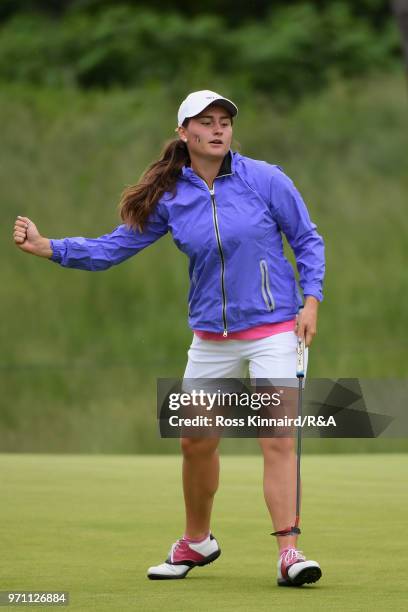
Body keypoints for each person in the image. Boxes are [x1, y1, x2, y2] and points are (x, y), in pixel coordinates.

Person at [13, 89, 325, 587]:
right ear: (184, 133)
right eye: (206, 122)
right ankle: (197, 542)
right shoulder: (170, 196)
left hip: (273, 329)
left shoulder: (266, 179)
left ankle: (289, 552)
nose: (219, 129)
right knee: (195, 442)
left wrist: (310, 301)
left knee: (277, 438)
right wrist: (51, 248)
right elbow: (115, 247)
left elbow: (307, 239)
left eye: (225, 120)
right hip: (210, 338)